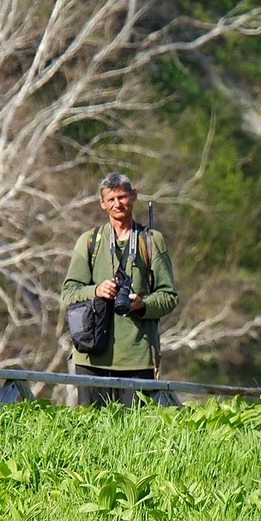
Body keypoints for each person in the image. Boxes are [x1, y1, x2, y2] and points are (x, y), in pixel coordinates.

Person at [62, 173, 179, 407]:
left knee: (135, 436)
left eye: (123, 197)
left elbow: (169, 296)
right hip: (91, 356)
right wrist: (97, 290)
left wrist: (142, 304)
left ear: (133, 197)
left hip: (137, 359)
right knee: (89, 430)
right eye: (111, 199)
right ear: (102, 203)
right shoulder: (90, 241)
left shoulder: (151, 241)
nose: (118, 204)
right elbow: (69, 293)